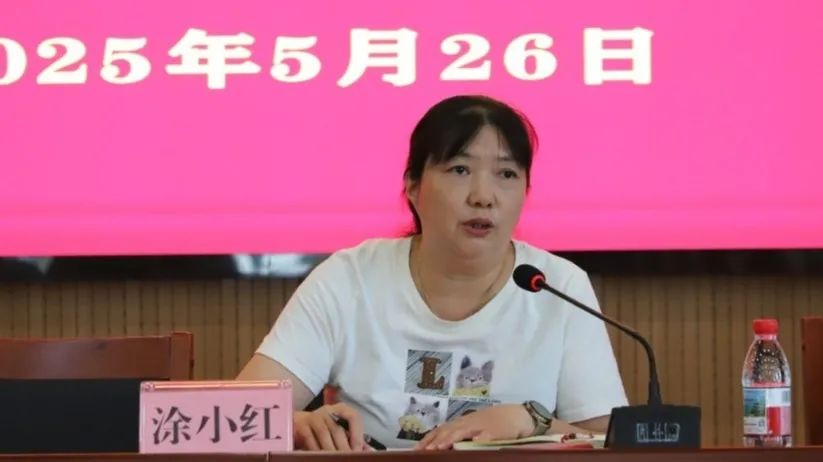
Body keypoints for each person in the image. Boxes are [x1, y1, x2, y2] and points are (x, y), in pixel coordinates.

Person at [237, 94, 627, 451]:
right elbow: (236, 417)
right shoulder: (350, 278)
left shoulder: (557, 286)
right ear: (413, 186)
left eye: (506, 174)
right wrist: (294, 424)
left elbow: (611, 444)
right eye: (460, 169)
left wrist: (531, 421)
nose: (483, 196)